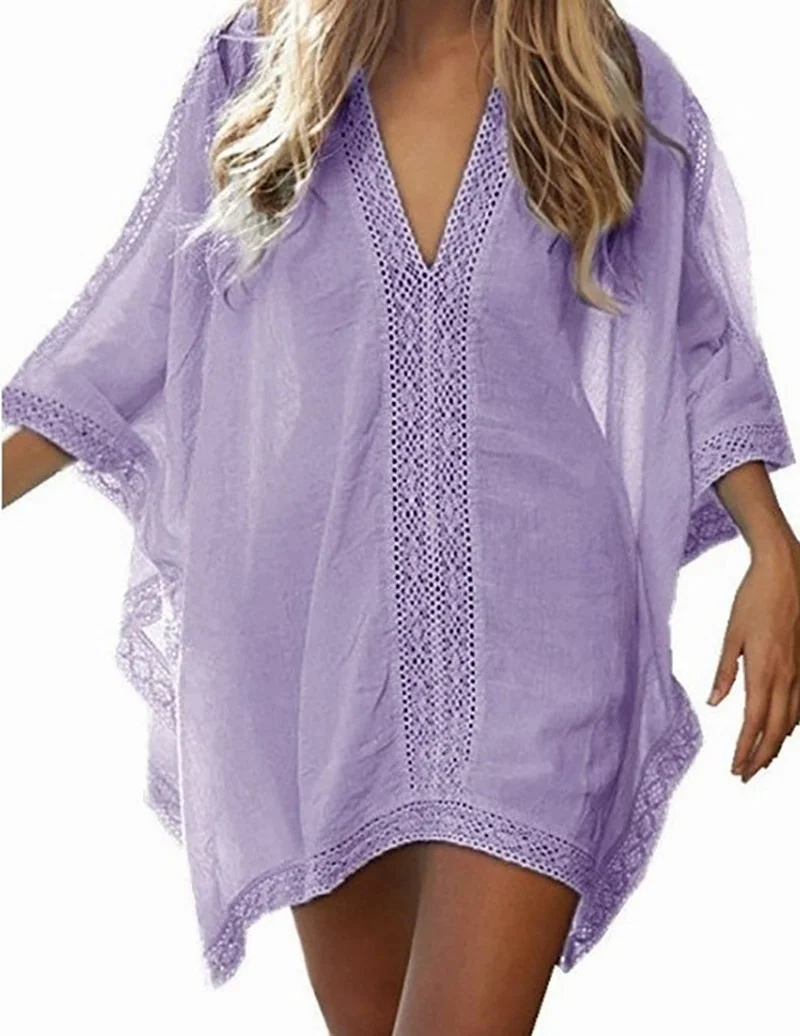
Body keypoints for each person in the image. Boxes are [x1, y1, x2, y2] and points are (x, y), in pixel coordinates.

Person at [2, 0, 798, 1031]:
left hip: (544, 630)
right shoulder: (258, 67)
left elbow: (699, 339)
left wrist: (771, 547)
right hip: (313, 643)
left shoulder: (604, 76)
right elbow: (147, 312)